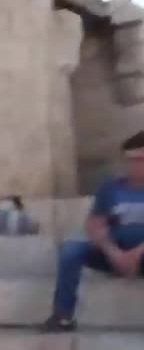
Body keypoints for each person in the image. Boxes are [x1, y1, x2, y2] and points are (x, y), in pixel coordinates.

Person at [45, 130, 144, 331]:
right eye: (129, 160)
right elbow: (95, 225)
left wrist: (137, 253)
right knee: (71, 250)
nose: (133, 165)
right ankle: (63, 315)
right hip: (116, 252)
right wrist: (113, 253)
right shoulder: (111, 188)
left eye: (140, 159)